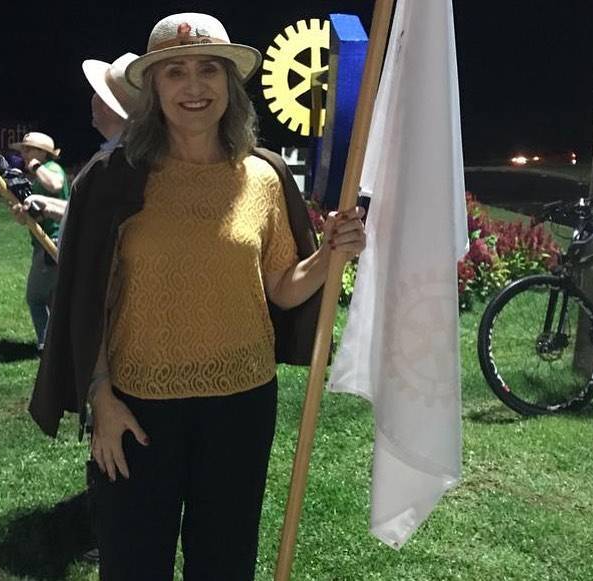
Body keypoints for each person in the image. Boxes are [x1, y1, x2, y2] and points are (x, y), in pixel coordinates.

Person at [29, 12, 365, 580]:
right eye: (175, 71)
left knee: (225, 563)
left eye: (208, 69)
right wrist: (101, 399)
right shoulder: (115, 178)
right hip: (137, 408)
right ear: (153, 88)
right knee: (134, 564)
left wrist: (330, 254)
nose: (193, 86)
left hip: (242, 404)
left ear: (229, 84)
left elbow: (281, 289)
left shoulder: (263, 176)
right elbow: (88, 306)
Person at [10, 53, 139, 236]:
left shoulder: (123, 161)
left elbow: (104, 222)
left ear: (107, 106)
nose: (92, 97)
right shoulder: (120, 154)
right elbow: (93, 212)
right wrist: (46, 205)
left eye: (97, 92)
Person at [8, 132, 69, 352]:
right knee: (52, 297)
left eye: (30, 149)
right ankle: (59, 342)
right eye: (23, 150)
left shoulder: (51, 169)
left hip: (52, 241)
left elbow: (55, 184)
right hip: (44, 241)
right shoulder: (40, 175)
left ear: (44, 153)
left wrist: (35, 166)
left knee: (35, 298)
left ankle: (45, 346)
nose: (24, 154)